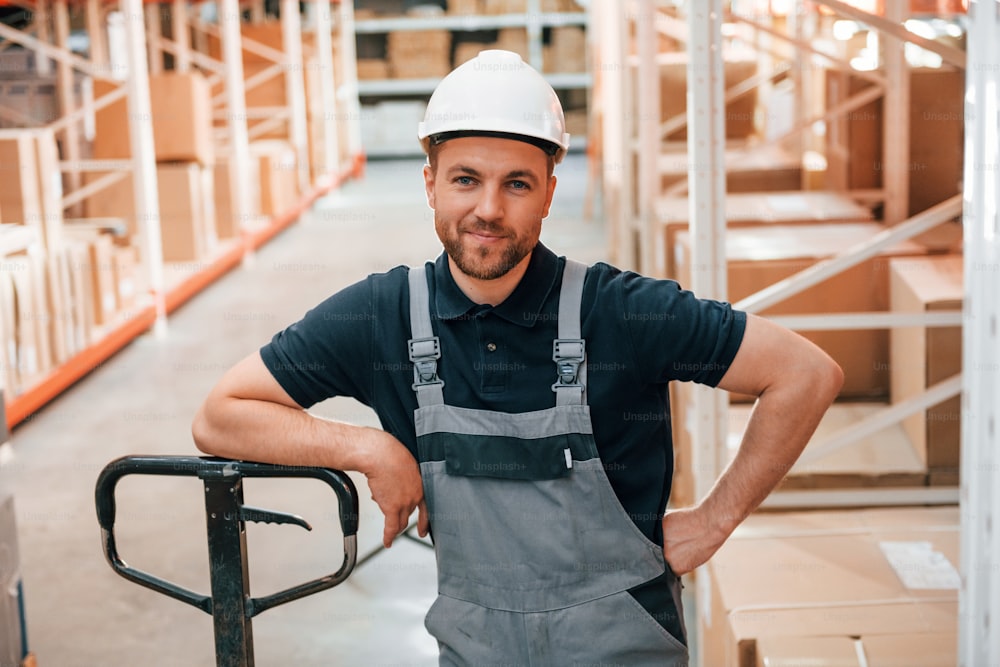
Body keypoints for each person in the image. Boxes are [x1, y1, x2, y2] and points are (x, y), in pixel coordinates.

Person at [192, 49, 843, 665]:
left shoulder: (620, 312)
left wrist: (714, 519)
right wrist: (368, 448)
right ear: (431, 184)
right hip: (476, 650)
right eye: (466, 179)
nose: (489, 209)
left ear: (549, 193)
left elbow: (805, 372)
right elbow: (223, 413)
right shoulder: (382, 315)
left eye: (517, 184)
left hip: (624, 649)